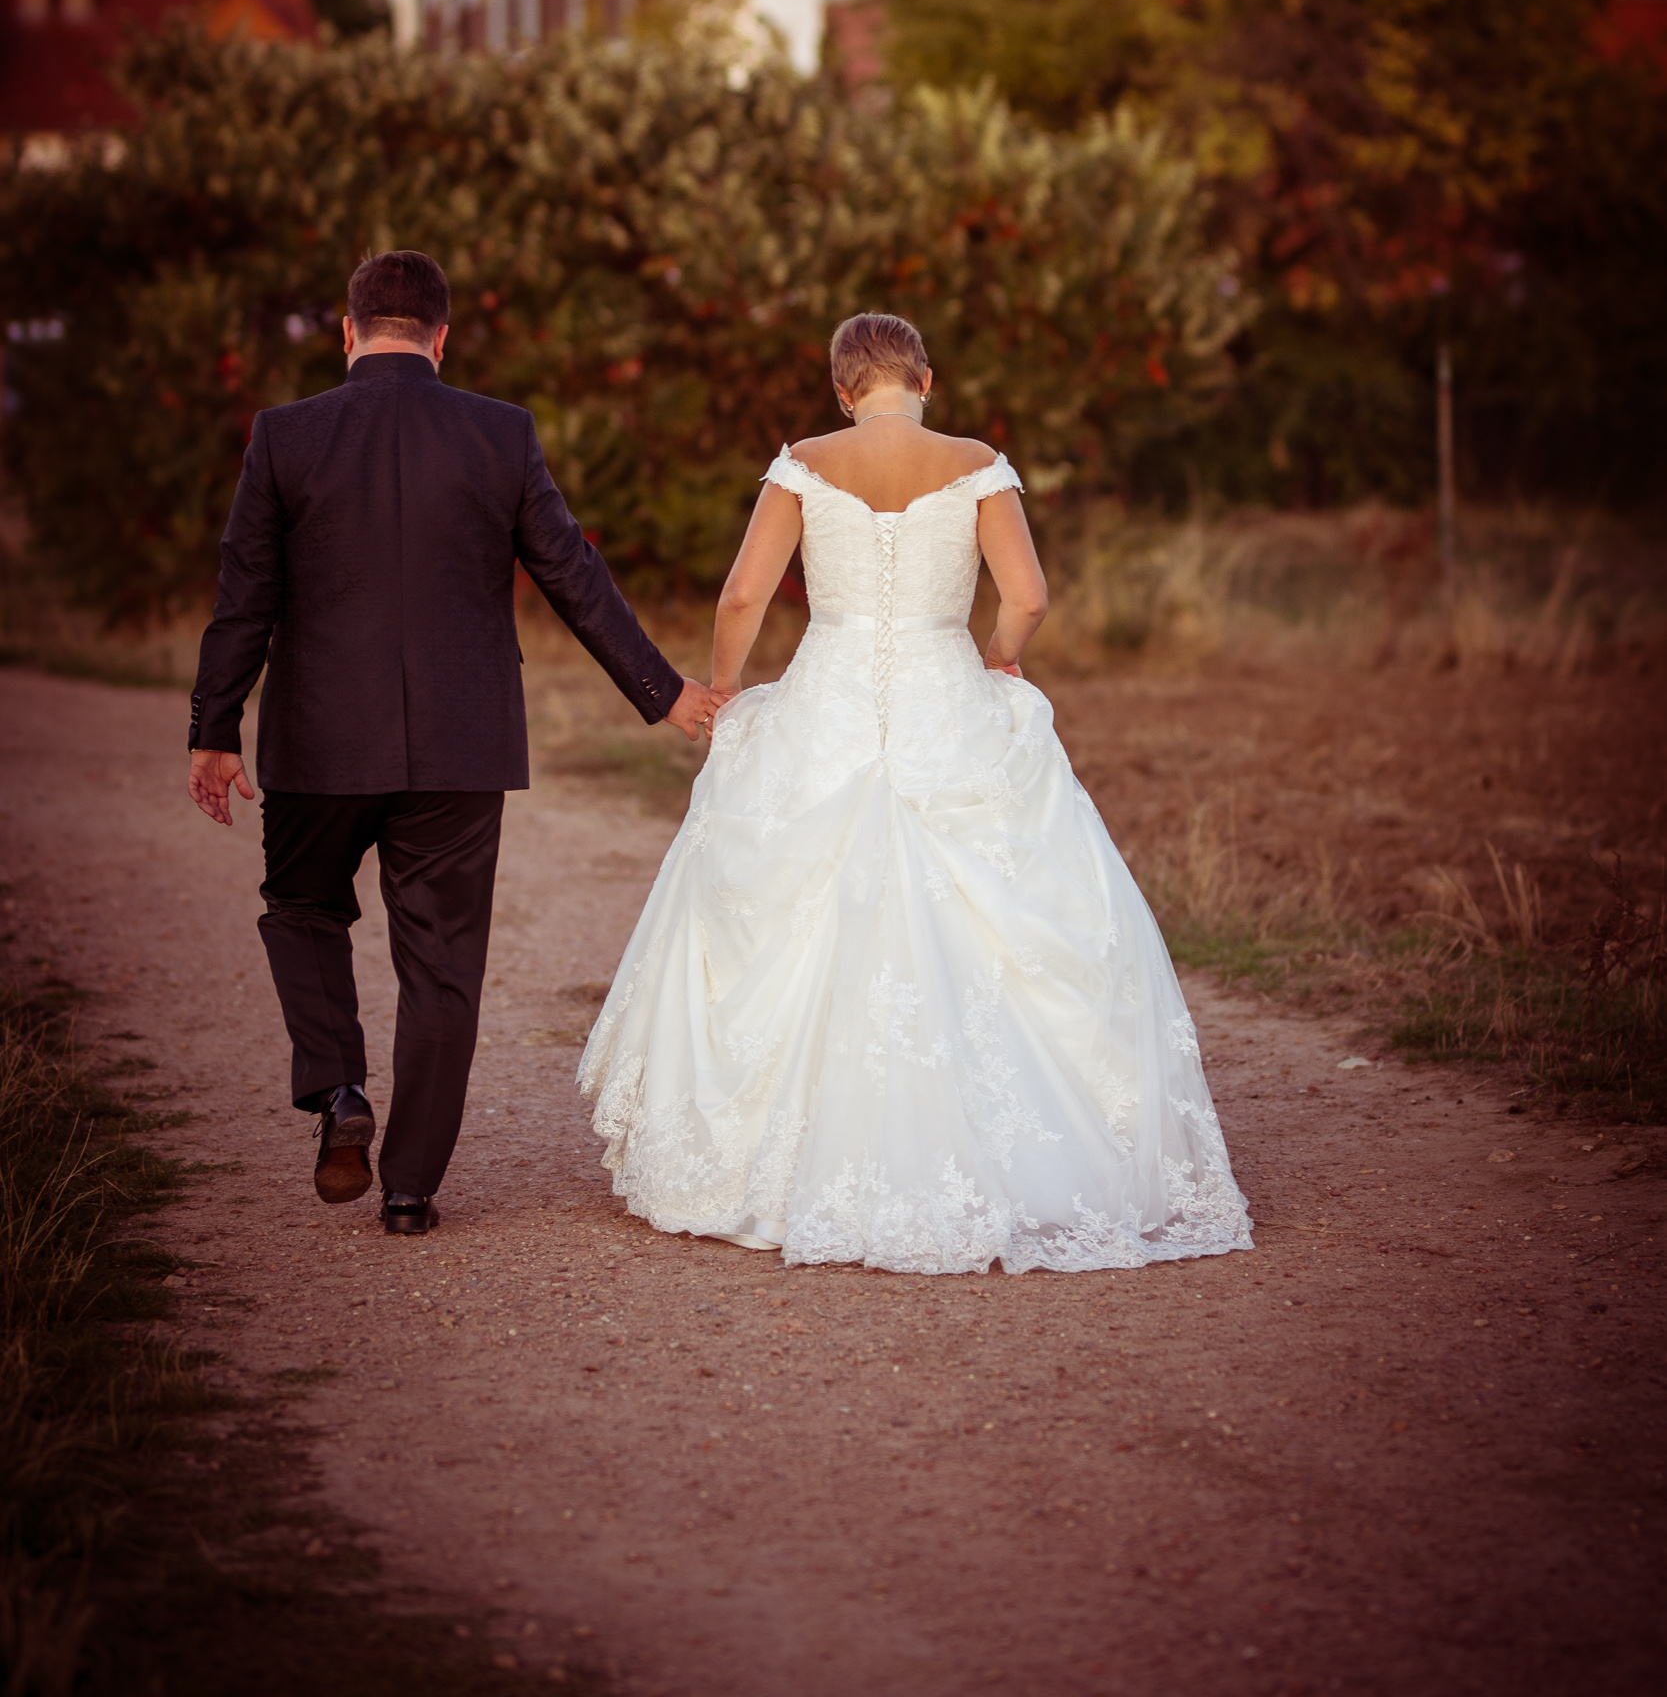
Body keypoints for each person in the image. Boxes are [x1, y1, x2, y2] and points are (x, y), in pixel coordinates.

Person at [580, 311, 1252, 1275]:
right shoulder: (977, 462)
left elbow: (741, 595)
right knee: (996, 911)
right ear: (924, 379)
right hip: (944, 692)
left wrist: (725, 690)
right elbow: (1026, 595)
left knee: (791, 898)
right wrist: (998, 662)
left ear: (843, 389)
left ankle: (787, 1153)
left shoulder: (803, 462)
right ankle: (1023, 1153)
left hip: (833, 693)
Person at [187, 249, 720, 1235]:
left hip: (317, 745)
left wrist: (214, 728)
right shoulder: (499, 432)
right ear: (442, 336)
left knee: (301, 907)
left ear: (347, 333)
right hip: (460, 746)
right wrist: (666, 692)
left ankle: (338, 1091)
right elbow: (573, 574)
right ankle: (408, 1188)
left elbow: (243, 594)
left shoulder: (284, 435)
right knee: (441, 960)